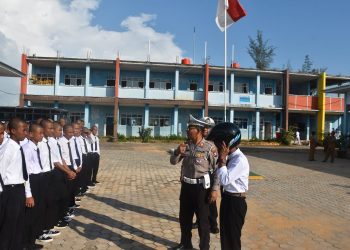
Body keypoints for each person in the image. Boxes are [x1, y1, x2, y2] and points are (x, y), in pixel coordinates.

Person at [170, 115, 219, 250]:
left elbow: (217, 170)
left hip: (201, 189)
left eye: (190, 128)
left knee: (203, 223)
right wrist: (176, 152)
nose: (187, 131)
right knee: (184, 220)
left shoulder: (210, 148)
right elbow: (173, 162)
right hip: (186, 188)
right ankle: (186, 245)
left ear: (198, 130)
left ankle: (204, 247)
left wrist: (215, 190)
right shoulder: (185, 146)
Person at [207, 122, 249, 250]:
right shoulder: (231, 157)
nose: (217, 146)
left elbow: (224, 180)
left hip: (236, 203)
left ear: (227, 144)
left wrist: (222, 160)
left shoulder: (239, 160)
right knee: (225, 237)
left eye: (219, 143)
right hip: (227, 199)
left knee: (232, 238)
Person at [0, 117, 28, 250]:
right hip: (9, 192)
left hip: (18, 190)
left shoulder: (18, 147)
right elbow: (1, 172)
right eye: (23, 130)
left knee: (18, 224)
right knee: (8, 226)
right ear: (13, 131)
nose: (26, 132)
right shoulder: (7, 149)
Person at [192, 117, 219, 235]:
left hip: (211, 174)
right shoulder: (197, 139)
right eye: (205, 127)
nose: (206, 129)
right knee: (199, 200)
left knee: (211, 200)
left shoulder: (215, 141)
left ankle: (213, 224)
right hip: (200, 175)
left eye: (209, 127)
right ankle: (199, 220)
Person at [22, 123, 46, 249]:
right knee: (30, 215)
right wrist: (28, 194)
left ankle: (32, 240)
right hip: (32, 181)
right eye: (40, 133)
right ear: (31, 134)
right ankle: (27, 243)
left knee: (37, 214)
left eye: (43, 133)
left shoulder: (36, 147)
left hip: (39, 180)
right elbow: (25, 174)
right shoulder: (26, 149)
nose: (42, 135)